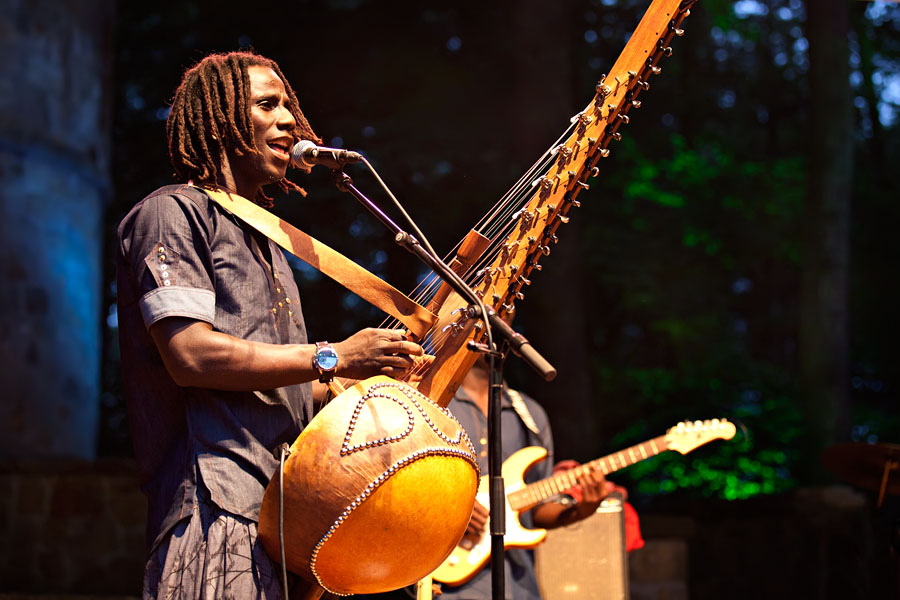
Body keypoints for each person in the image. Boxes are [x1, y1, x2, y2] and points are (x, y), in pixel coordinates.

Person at [116, 50, 425, 599]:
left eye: (288, 106)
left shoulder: (273, 247)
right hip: (214, 505)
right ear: (222, 120)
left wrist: (362, 383)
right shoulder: (172, 212)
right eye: (267, 105)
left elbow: (280, 385)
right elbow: (191, 356)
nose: (288, 120)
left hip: (284, 516)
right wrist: (334, 356)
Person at [434, 356, 612, 600]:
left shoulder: (530, 413)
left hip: (519, 586)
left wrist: (581, 510)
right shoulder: (434, 402)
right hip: (446, 583)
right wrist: (453, 507)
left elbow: (537, 510)